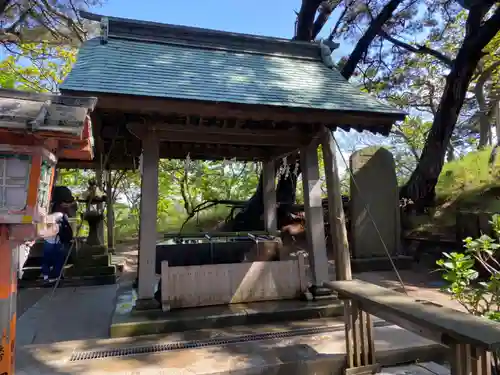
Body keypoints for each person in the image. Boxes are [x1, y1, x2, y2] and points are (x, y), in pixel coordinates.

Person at [41, 196, 75, 286]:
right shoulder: (60, 215)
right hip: (55, 241)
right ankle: (53, 277)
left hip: (49, 240)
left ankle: (47, 277)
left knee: (48, 259)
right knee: (57, 259)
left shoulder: (52, 215)